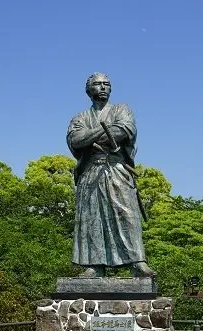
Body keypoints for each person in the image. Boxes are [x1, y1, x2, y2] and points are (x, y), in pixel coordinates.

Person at [66, 72, 156, 278]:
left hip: (117, 169)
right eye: (98, 84)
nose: (103, 87)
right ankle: (94, 266)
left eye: (107, 84)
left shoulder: (121, 109)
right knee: (92, 218)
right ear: (89, 90)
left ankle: (137, 262)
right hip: (90, 172)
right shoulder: (80, 117)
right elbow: (76, 140)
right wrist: (102, 131)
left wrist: (91, 136)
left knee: (127, 214)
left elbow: (123, 131)